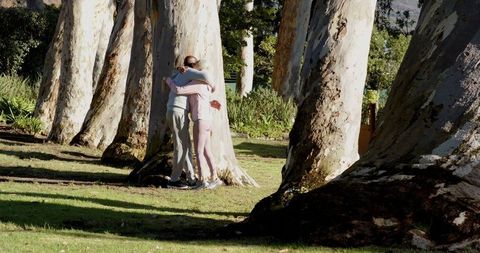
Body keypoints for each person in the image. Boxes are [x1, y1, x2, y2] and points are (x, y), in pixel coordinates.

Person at [165, 60, 223, 190]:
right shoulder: (206, 86)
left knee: (198, 151)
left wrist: (168, 80)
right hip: (208, 120)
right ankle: (214, 177)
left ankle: (202, 181)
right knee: (207, 151)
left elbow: (178, 90)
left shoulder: (197, 83)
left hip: (200, 121)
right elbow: (201, 101)